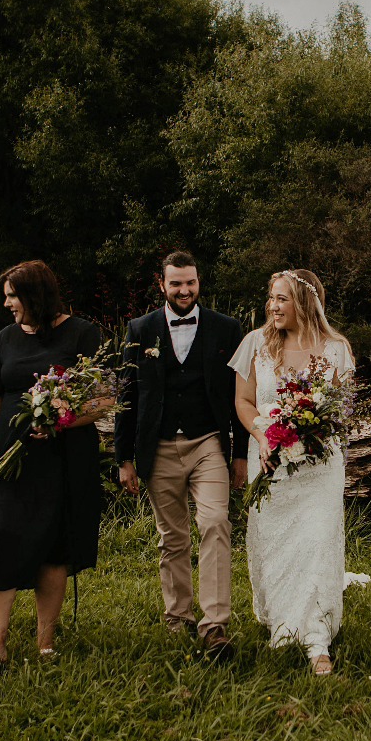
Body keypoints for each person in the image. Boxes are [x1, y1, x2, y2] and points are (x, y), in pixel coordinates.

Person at [0, 261, 109, 668]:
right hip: (10, 457)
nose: (7, 303)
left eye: (12, 295)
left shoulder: (81, 332)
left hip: (64, 457)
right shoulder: (6, 338)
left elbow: (104, 397)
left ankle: (45, 643)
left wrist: (63, 421)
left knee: (54, 549)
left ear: (36, 294)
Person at [116, 251, 248, 655]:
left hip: (208, 441)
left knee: (215, 524)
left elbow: (239, 395)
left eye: (190, 282)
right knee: (172, 538)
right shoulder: (140, 329)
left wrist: (240, 455)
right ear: (162, 285)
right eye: (176, 284)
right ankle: (178, 618)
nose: (184, 290)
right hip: (157, 447)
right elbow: (127, 395)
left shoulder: (228, 329)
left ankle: (214, 626)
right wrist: (124, 458)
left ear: (199, 281)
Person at [230, 269, 354, 676]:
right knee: (275, 545)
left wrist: (311, 426)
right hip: (269, 462)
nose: (272, 306)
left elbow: (342, 411)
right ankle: (283, 624)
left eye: (281, 298)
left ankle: (317, 638)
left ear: (305, 303)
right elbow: (245, 402)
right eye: (271, 297)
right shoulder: (255, 344)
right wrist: (265, 434)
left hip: (319, 467)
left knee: (316, 542)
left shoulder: (335, 349)